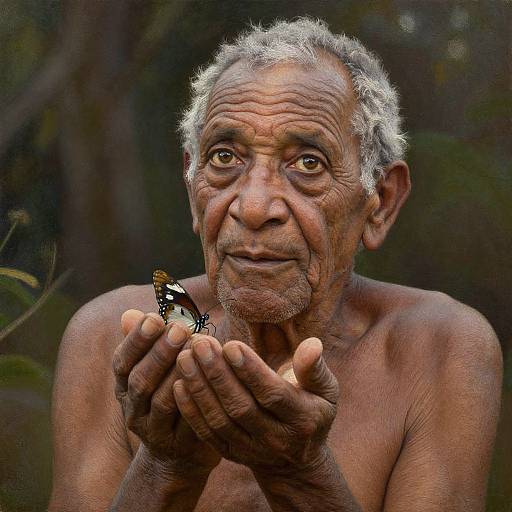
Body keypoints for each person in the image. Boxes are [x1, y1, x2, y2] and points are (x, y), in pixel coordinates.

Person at [48, 18, 502, 512]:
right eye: (225, 157)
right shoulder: (112, 337)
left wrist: (299, 472)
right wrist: (165, 464)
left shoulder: (437, 348)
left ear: (380, 202)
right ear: (192, 189)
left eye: (308, 163)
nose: (255, 206)